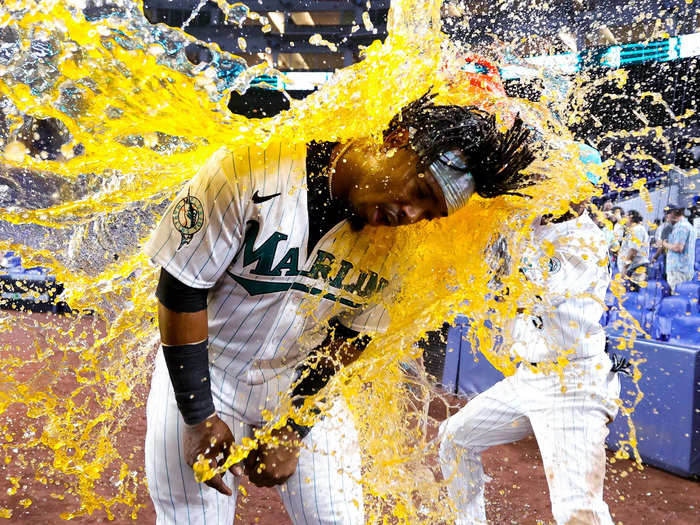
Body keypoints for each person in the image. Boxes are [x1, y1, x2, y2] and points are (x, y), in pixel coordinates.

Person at [143, 94, 538, 525]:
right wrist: (199, 416)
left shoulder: (401, 245)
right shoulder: (249, 166)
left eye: (429, 215)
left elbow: (352, 336)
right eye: (421, 192)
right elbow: (182, 288)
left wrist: (295, 427)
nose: (411, 215)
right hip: (205, 370)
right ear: (398, 139)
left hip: (299, 378)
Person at [438, 145, 623, 525]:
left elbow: (527, 295)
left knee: (578, 513)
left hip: (573, 383)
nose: (572, 193)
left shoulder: (585, 241)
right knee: (455, 439)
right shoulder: (534, 221)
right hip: (532, 376)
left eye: (580, 187)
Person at [657, 205, 697, 292]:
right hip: (684, 269)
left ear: (673, 213)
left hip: (678, 271)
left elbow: (678, 248)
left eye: (667, 214)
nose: (666, 217)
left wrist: (663, 243)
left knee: (676, 296)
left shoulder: (681, 227)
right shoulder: (687, 225)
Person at [618, 209, 649, 290]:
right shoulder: (634, 229)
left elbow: (633, 251)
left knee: (634, 295)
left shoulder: (637, 229)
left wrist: (624, 268)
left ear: (631, 218)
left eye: (626, 217)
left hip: (637, 268)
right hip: (634, 267)